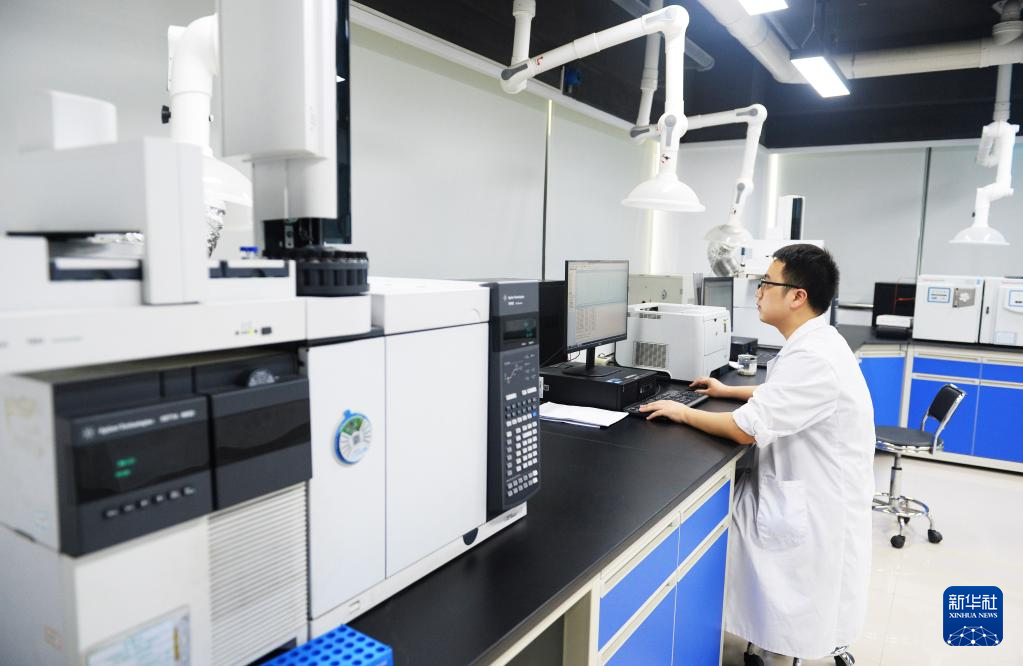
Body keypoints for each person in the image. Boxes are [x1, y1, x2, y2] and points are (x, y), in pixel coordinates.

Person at [639, 244, 875, 661]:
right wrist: (728, 390)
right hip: (808, 491)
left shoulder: (814, 356)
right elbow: (783, 394)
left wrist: (681, 411)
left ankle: (689, 634)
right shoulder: (817, 341)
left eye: (767, 282)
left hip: (813, 507)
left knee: (704, 527)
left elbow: (744, 430)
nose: (758, 291)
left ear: (797, 296)